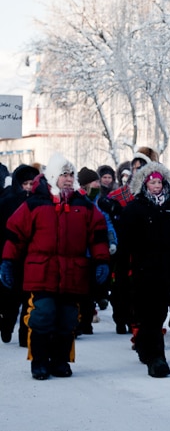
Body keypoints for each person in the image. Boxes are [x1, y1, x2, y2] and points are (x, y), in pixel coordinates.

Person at [0, 153, 110, 380]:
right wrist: (8, 262)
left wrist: (101, 261)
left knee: (68, 318)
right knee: (43, 315)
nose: (68, 179)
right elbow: (14, 235)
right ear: (52, 177)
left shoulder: (84, 206)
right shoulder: (35, 204)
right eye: (63, 175)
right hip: (41, 271)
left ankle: (60, 361)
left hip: (74, 273)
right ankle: (39, 361)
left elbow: (98, 236)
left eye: (71, 175)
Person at [118, 161, 170, 378]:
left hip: (166, 268)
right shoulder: (135, 208)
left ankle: (143, 345)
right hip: (142, 269)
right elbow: (125, 243)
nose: (156, 186)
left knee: (159, 313)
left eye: (159, 182)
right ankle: (157, 359)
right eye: (152, 182)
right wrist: (121, 271)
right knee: (150, 314)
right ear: (144, 184)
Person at [99, 148, 158, 335]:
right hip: (124, 246)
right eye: (135, 167)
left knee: (143, 289)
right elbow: (107, 212)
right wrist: (114, 212)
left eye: (141, 167)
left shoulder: (157, 192)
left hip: (148, 248)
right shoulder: (121, 194)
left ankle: (140, 324)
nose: (137, 170)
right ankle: (121, 318)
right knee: (121, 286)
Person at [0, 163, 40, 346]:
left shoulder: (40, 202)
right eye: (26, 183)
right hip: (12, 255)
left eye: (32, 183)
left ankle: (25, 335)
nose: (29, 187)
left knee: (29, 300)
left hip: (32, 257)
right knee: (12, 298)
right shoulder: (7, 201)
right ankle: (6, 326)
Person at [75, 166, 103, 336]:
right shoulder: (78, 201)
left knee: (90, 291)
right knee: (80, 291)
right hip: (81, 251)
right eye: (95, 182)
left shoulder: (98, 201)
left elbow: (104, 222)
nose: (98, 185)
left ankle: (86, 322)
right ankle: (80, 322)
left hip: (94, 251)